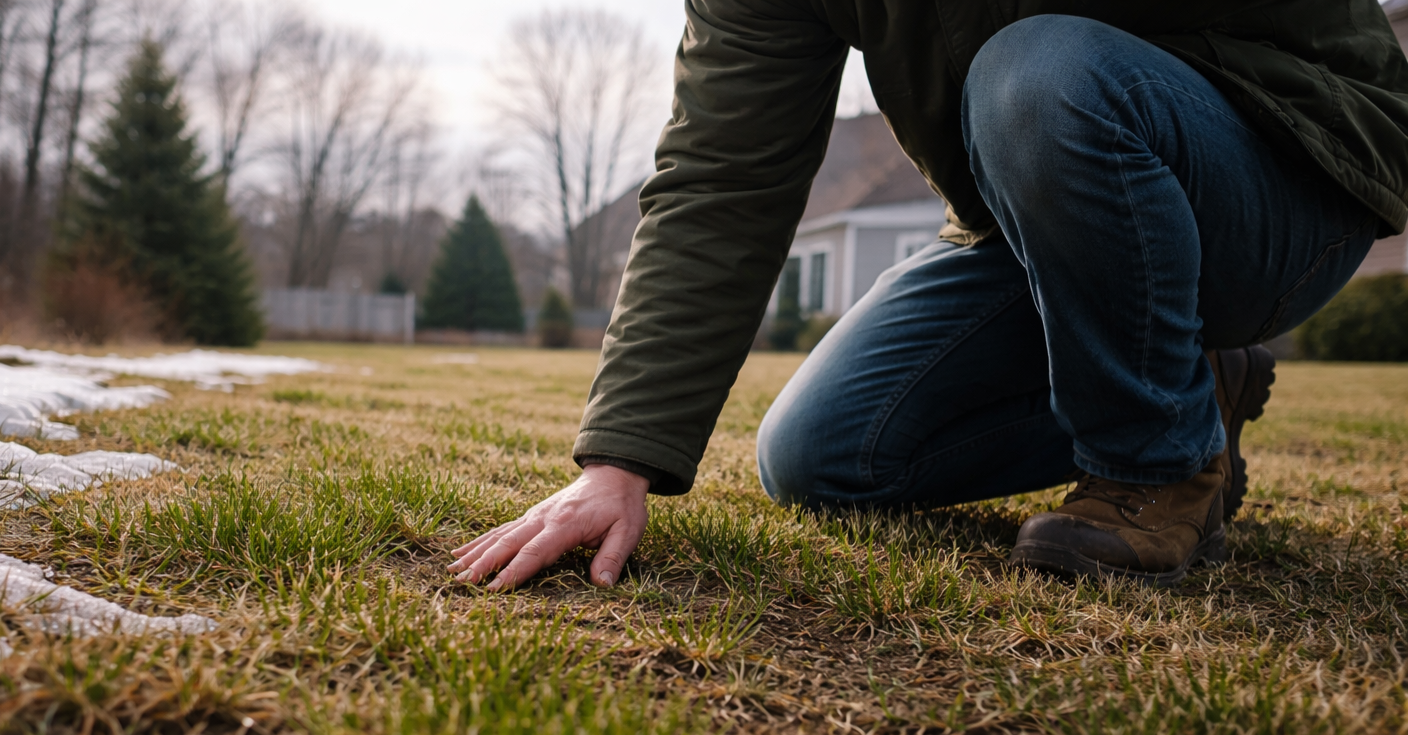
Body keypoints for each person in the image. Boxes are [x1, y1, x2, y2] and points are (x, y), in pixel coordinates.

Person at [451, 2, 1408, 590]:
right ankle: (1193, 388)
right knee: (821, 456)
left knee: (1037, 76)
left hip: (1281, 167)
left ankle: (1154, 466)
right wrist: (619, 461)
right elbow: (721, 176)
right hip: (1042, 209)